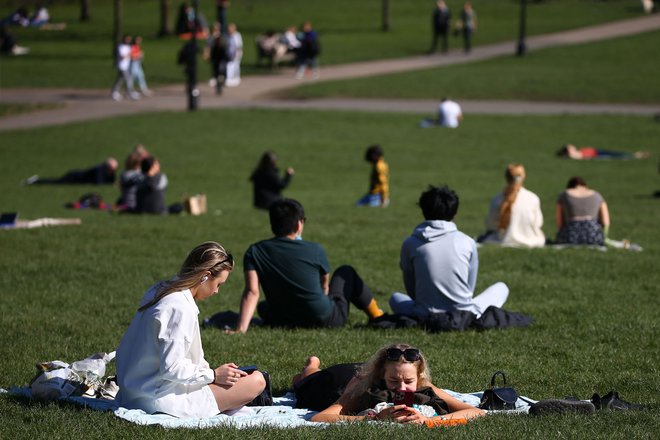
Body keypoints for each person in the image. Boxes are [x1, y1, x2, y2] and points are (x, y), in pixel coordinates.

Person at [115, 241, 266, 418]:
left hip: (132, 391)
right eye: (218, 284)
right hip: (158, 399)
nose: (217, 291)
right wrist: (214, 375)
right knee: (257, 380)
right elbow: (172, 368)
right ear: (205, 276)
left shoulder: (160, 289)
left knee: (239, 380)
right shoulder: (180, 307)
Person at [234, 198, 385, 333]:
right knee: (346, 271)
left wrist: (241, 329)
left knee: (263, 307)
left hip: (281, 319)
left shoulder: (255, 251)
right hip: (324, 319)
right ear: (299, 224)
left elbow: (252, 292)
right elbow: (325, 287)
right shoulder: (315, 249)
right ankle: (377, 315)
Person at [390, 185, 509, 320]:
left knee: (395, 298)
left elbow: (411, 290)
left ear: (423, 211)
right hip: (463, 313)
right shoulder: (467, 242)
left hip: (425, 314)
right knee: (502, 288)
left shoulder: (410, 243)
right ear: (454, 214)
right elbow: (469, 289)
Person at [296, 343, 485, 423]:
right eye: (394, 380)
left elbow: (476, 412)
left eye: (408, 381)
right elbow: (319, 418)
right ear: (381, 374)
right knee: (304, 381)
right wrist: (374, 419)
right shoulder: (363, 384)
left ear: (418, 376)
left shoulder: (421, 382)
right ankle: (313, 365)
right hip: (334, 381)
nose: (402, 388)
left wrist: (428, 421)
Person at [477, 164, 545, 248]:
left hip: (503, 240)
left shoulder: (497, 199)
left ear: (507, 178)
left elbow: (491, 224)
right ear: (524, 177)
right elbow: (538, 223)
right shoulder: (533, 198)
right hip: (530, 240)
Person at [555, 176, 610, 246]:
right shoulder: (597, 195)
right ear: (585, 186)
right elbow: (606, 222)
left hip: (570, 235)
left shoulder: (564, 195)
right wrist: (604, 237)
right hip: (594, 235)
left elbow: (559, 224)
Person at [24, 157, 118, 185]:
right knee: (56, 182)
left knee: (56, 182)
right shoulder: (100, 169)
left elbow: (111, 181)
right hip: (74, 177)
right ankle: (36, 181)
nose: (113, 170)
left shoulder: (110, 171)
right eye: (112, 168)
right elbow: (99, 182)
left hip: (78, 180)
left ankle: (36, 181)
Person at [116, 145, 149, 212]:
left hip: (125, 204)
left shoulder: (123, 174)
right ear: (137, 164)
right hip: (136, 206)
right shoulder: (140, 175)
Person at [111, 35, 139, 101]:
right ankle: (129, 92)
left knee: (120, 79)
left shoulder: (128, 47)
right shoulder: (121, 47)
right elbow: (122, 56)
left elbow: (132, 55)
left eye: (129, 39)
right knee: (128, 79)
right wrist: (129, 54)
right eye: (127, 39)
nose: (128, 41)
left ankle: (115, 92)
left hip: (126, 66)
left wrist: (135, 55)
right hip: (121, 66)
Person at [556, 144, 650, 160]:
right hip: (596, 154)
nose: (572, 146)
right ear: (568, 150)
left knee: (615, 153)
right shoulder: (574, 155)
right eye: (570, 146)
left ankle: (633, 155)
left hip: (596, 151)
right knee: (614, 155)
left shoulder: (576, 152)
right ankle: (633, 156)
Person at [225, 22, 243, 87]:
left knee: (236, 65)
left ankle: (236, 77)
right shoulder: (227, 36)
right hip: (229, 53)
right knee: (229, 66)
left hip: (236, 53)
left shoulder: (237, 35)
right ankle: (229, 78)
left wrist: (237, 54)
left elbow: (239, 46)